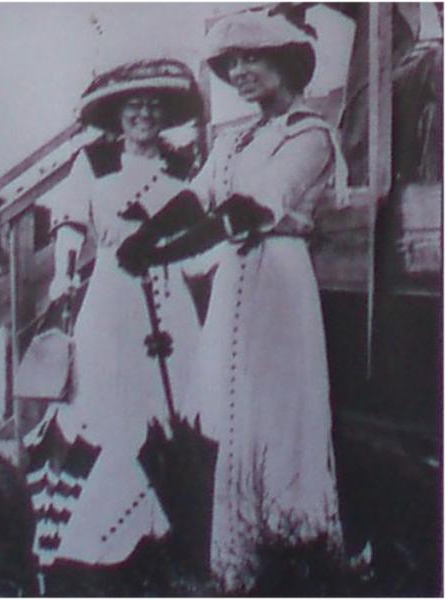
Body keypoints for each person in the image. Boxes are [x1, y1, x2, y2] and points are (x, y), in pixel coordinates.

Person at [118, 9, 348, 592]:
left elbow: (249, 209)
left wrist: (168, 253)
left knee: (278, 416)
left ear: (286, 64)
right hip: (236, 279)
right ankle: (239, 564)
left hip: (279, 282)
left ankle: (296, 553)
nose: (240, 73)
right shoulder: (236, 137)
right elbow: (198, 199)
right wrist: (147, 234)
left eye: (253, 60)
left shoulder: (310, 135)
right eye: (232, 64)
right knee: (233, 414)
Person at [24, 58, 203, 590]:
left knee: (167, 403)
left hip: (167, 296)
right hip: (113, 295)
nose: (144, 115)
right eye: (134, 106)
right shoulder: (94, 161)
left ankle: (160, 531)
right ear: (118, 114)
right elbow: (71, 219)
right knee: (105, 405)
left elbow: (194, 231)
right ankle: (95, 539)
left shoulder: (183, 164)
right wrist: (64, 274)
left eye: (154, 106)